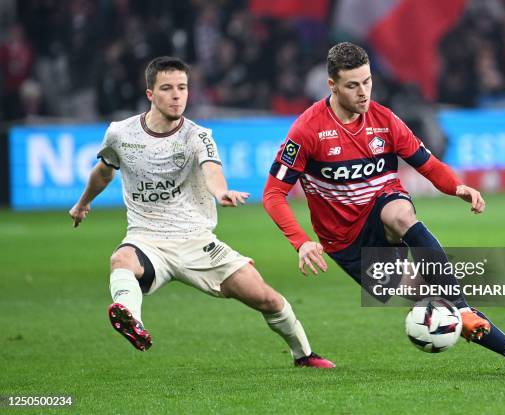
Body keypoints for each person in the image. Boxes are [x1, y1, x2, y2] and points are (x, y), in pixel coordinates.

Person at [262, 42, 505, 375]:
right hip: (344, 242)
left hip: (383, 204)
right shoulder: (307, 131)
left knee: (400, 214)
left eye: (367, 81)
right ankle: (500, 339)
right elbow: (273, 194)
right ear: (332, 86)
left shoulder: (384, 120)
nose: (363, 92)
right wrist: (301, 241)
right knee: (431, 298)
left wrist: (457, 187)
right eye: (353, 85)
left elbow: (428, 164)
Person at [69, 56, 334, 369]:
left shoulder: (198, 136)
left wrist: (221, 192)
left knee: (267, 299)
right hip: (147, 239)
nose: (177, 95)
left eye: (182, 87)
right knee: (120, 260)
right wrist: (83, 201)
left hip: (197, 242)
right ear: (150, 94)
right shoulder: (120, 134)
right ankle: (131, 320)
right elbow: (103, 171)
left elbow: (211, 171)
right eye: (167, 88)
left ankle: (304, 355)